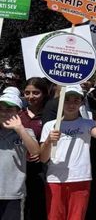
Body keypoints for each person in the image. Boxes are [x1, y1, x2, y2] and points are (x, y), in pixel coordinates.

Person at [39, 85, 96, 220]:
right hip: (55, 180)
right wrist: (48, 142)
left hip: (81, 178)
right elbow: (43, 158)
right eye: (67, 100)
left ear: (81, 102)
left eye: (76, 100)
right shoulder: (49, 125)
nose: (71, 104)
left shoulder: (87, 123)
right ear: (61, 101)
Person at [0, 90, 40, 220]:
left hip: (14, 194)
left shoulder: (26, 132)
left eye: (10, 109)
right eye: (1, 109)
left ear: (18, 112)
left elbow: (35, 152)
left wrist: (20, 129)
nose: (4, 113)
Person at [19, 78, 51, 220]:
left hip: (44, 169)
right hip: (21, 168)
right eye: (27, 93)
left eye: (35, 93)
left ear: (44, 93)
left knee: (39, 207)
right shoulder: (18, 115)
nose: (31, 96)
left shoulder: (50, 115)